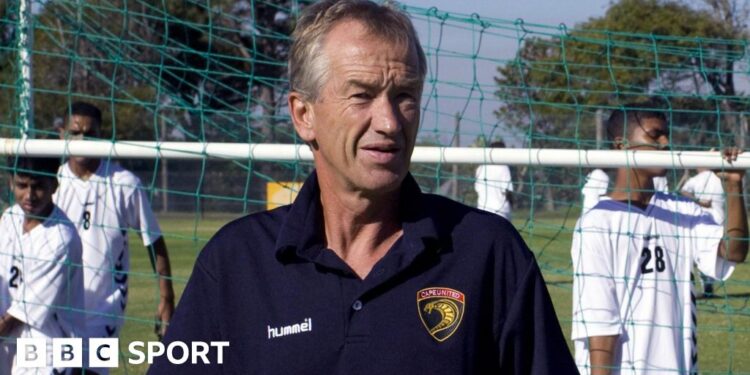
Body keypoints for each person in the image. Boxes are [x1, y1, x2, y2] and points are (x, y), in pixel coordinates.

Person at [150, 1, 577, 373]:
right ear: (303, 115)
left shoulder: (488, 253)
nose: (390, 122)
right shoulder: (235, 264)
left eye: (405, 95)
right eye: (361, 95)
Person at [571, 102, 748, 374]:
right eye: (654, 136)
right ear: (621, 145)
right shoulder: (596, 223)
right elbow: (599, 325)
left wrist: (734, 185)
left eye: (666, 135)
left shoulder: (682, 210)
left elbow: (734, 252)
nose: (665, 143)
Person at [54, 102, 175, 350]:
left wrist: (167, 297)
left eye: (90, 133)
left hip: (105, 309)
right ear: (61, 133)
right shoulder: (52, 184)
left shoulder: (124, 183)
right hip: (57, 306)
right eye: (75, 132)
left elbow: (154, 241)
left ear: (102, 136)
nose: (82, 139)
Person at [0, 157, 85, 373]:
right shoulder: (9, 218)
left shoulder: (61, 239)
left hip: (48, 349)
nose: (29, 195)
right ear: (11, 183)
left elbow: (21, 313)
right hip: (11, 344)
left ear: (53, 186)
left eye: (38, 187)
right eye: (22, 185)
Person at [681, 166, 726, 296]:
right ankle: (708, 285)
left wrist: (698, 201)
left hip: (701, 220)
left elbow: (683, 190)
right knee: (712, 253)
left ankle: (704, 285)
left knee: (700, 253)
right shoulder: (719, 178)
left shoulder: (696, 179)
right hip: (719, 219)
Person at [475, 141, 514, 220]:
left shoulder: (481, 168)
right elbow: (507, 191)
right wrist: (512, 204)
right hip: (501, 212)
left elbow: (477, 189)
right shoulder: (503, 168)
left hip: (482, 211)